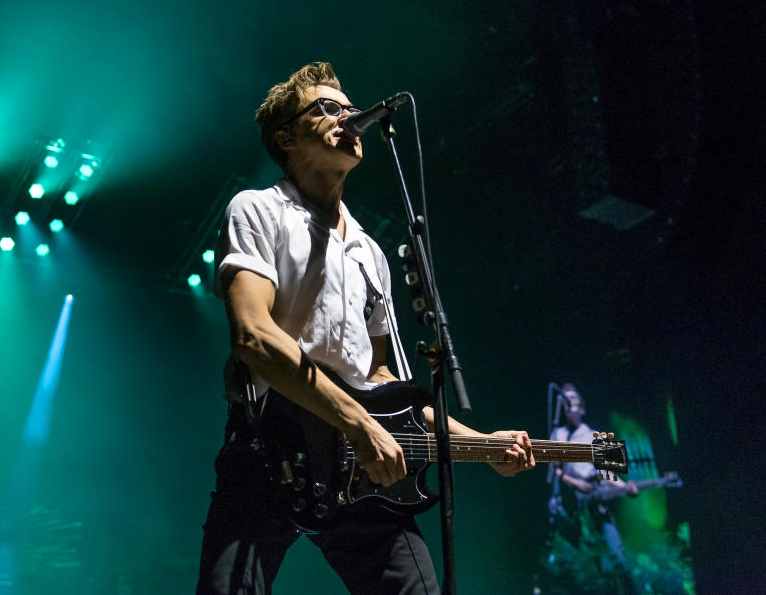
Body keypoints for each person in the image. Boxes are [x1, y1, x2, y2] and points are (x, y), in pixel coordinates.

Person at [195, 62, 536, 595]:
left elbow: (384, 385)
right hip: (267, 449)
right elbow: (254, 337)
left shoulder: (370, 252)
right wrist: (359, 422)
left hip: (357, 466)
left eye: (349, 108)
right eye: (328, 108)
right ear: (286, 136)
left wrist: (482, 443)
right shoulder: (258, 210)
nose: (348, 117)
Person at [547, 383, 639, 593]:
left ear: (582, 409)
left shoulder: (597, 435)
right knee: (578, 565)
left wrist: (627, 487)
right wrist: (575, 483)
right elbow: (556, 472)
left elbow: (610, 474)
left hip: (596, 503)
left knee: (617, 557)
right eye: (566, 402)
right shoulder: (557, 433)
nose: (570, 406)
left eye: (574, 402)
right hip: (570, 506)